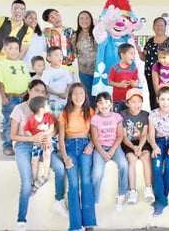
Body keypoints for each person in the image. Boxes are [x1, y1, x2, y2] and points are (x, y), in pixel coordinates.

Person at [10, 80, 68, 231]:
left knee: (60, 168)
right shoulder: (19, 109)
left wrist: (46, 136)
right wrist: (32, 139)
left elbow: (54, 128)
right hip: (24, 145)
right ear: (29, 90)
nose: (39, 94)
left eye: (43, 92)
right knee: (27, 182)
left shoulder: (45, 109)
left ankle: (58, 201)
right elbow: (13, 136)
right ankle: (21, 220)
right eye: (36, 90)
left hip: (42, 144)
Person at [58, 83, 96, 231]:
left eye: (81, 93)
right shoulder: (65, 112)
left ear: (85, 96)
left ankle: (89, 222)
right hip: (70, 148)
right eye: (75, 94)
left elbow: (94, 134)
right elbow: (61, 138)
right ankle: (75, 225)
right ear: (70, 96)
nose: (79, 97)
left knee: (86, 181)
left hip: (85, 145)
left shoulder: (90, 111)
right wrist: (66, 157)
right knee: (73, 184)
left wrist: (91, 145)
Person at [90, 92, 129, 212]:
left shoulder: (117, 117)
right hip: (100, 148)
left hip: (114, 147)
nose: (104, 105)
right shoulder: (95, 118)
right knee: (97, 172)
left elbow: (120, 136)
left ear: (111, 104)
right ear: (97, 105)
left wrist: (112, 150)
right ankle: (94, 201)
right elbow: (95, 138)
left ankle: (122, 194)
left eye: (106, 102)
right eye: (100, 102)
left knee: (123, 164)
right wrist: (103, 153)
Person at [148, 87, 169, 216]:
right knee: (156, 167)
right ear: (157, 100)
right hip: (159, 142)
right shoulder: (153, 114)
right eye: (162, 99)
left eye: (168, 99)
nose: (165, 102)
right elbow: (151, 135)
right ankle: (162, 202)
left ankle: (160, 201)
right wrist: (154, 146)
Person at [0, 37, 31, 155]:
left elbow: (28, 80)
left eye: (16, 48)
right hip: (11, 98)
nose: (14, 51)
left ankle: (22, 144)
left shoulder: (22, 64)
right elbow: (0, 82)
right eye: (10, 48)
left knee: (24, 121)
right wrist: (3, 97)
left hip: (23, 97)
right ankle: (7, 145)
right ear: (5, 49)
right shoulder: (2, 65)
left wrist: (28, 94)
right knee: (9, 123)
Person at [135, 17, 169, 110]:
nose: (159, 27)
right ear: (153, 27)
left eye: (162, 25)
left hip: (168, 76)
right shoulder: (150, 41)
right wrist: (139, 51)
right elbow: (144, 57)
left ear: (165, 27)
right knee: (153, 96)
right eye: (157, 25)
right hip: (150, 73)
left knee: (167, 96)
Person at [121, 88, 155, 205]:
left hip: (142, 142)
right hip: (129, 143)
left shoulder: (146, 115)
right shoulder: (123, 115)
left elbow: (145, 133)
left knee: (146, 157)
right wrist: (133, 147)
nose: (137, 104)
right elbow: (124, 136)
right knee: (132, 159)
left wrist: (140, 146)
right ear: (127, 103)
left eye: (139, 101)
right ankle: (132, 191)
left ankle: (148, 188)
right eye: (133, 101)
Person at [23, 96, 56, 194]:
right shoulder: (31, 119)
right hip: (37, 141)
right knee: (34, 160)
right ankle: (34, 181)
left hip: (47, 139)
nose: (49, 106)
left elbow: (52, 128)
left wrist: (44, 134)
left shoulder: (48, 116)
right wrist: (33, 137)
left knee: (46, 152)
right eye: (47, 105)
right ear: (41, 109)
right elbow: (26, 130)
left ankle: (45, 175)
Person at [71, 10, 97, 107]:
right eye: (81, 18)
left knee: (100, 96)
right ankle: (90, 117)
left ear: (91, 20)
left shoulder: (97, 33)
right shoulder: (75, 35)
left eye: (87, 18)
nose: (84, 20)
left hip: (99, 70)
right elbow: (73, 53)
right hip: (84, 71)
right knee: (89, 96)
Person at [41, 46, 73, 119]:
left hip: (64, 101)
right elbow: (45, 87)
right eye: (56, 55)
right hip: (53, 101)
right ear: (49, 58)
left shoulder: (65, 70)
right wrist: (58, 94)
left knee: (64, 120)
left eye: (61, 55)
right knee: (55, 121)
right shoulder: (47, 72)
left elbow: (69, 84)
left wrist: (66, 94)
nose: (59, 57)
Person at [42, 8, 75, 78]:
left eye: (57, 15)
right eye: (52, 17)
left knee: (70, 88)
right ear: (49, 21)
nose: (56, 18)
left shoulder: (70, 31)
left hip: (68, 67)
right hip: (54, 68)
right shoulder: (47, 33)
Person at [108, 43, 139, 113]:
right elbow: (109, 82)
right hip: (117, 100)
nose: (133, 56)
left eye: (134, 54)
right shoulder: (115, 68)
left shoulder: (133, 69)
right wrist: (119, 85)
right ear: (122, 55)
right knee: (118, 117)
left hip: (130, 100)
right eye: (131, 53)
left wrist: (134, 84)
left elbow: (136, 84)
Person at [22, 10, 47, 76]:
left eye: (35, 18)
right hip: (24, 70)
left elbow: (46, 49)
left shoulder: (41, 35)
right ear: (24, 19)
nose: (33, 20)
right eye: (30, 18)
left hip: (38, 71)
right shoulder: (20, 34)